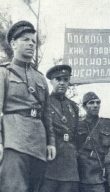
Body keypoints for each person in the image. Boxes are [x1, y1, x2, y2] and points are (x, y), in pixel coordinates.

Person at [0, 20, 56, 192]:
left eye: (33, 41)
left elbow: (47, 114)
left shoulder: (40, 79)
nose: (31, 44)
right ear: (13, 43)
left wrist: (50, 142)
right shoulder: (4, 72)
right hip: (14, 142)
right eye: (25, 40)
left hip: (38, 145)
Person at [77, 92, 110, 192]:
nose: (95, 105)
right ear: (84, 106)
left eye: (98, 102)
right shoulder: (77, 125)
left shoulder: (108, 124)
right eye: (91, 103)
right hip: (81, 173)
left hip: (100, 174)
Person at [39, 65, 79, 192]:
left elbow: (76, 134)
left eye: (65, 79)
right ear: (51, 81)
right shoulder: (45, 103)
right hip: (51, 161)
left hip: (69, 164)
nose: (62, 83)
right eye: (58, 79)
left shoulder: (73, 107)